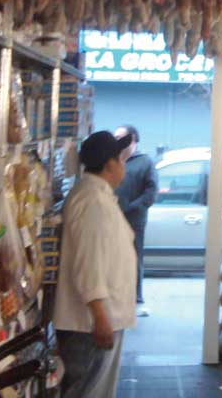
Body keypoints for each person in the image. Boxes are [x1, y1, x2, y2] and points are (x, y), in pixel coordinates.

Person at [53, 131, 137, 398]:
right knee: (86, 391)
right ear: (109, 164)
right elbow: (89, 262)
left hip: (96, 321)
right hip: (90, 324)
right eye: (121, 159)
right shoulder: (92, 201)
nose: (124, 166)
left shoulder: (96, 195)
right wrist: (100, 316)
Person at [112, 125, 158, 317]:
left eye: (122, 138)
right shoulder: (112, 161)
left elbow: (151, 191)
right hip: (111, 217)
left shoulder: (145, 162)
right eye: (116, 138)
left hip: (134, 219)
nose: (118, 143)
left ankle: (135, 298)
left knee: (133, 257)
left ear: (133, 140)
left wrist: (133, 207)